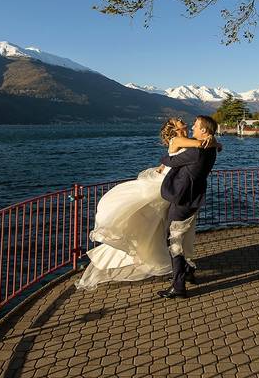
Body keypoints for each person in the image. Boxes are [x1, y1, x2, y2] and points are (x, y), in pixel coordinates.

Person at [75, 118, 219, 291]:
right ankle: (182, 271)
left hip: (175, 187)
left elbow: (181, 155)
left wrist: (164, 163)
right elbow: (194, 148)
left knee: (163, 231)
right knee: (159, 228)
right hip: (168, 186)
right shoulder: (181, 140)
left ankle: (182, 275)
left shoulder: (191, 143)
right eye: (178, 121)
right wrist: (213, 141)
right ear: (174, 128)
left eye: (194, 124)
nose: (184, 121)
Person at [157, 115, 219, 299]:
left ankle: (178, 285)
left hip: (183, 199)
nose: (192, 126)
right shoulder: (210, 148)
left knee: (173, 240)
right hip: (194, 197)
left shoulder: (196, 151)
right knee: (179, 238)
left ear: (204, 131)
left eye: (196, 125)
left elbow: (170, 161)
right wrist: (214, 140)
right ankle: (188, 270)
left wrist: (164, 159)